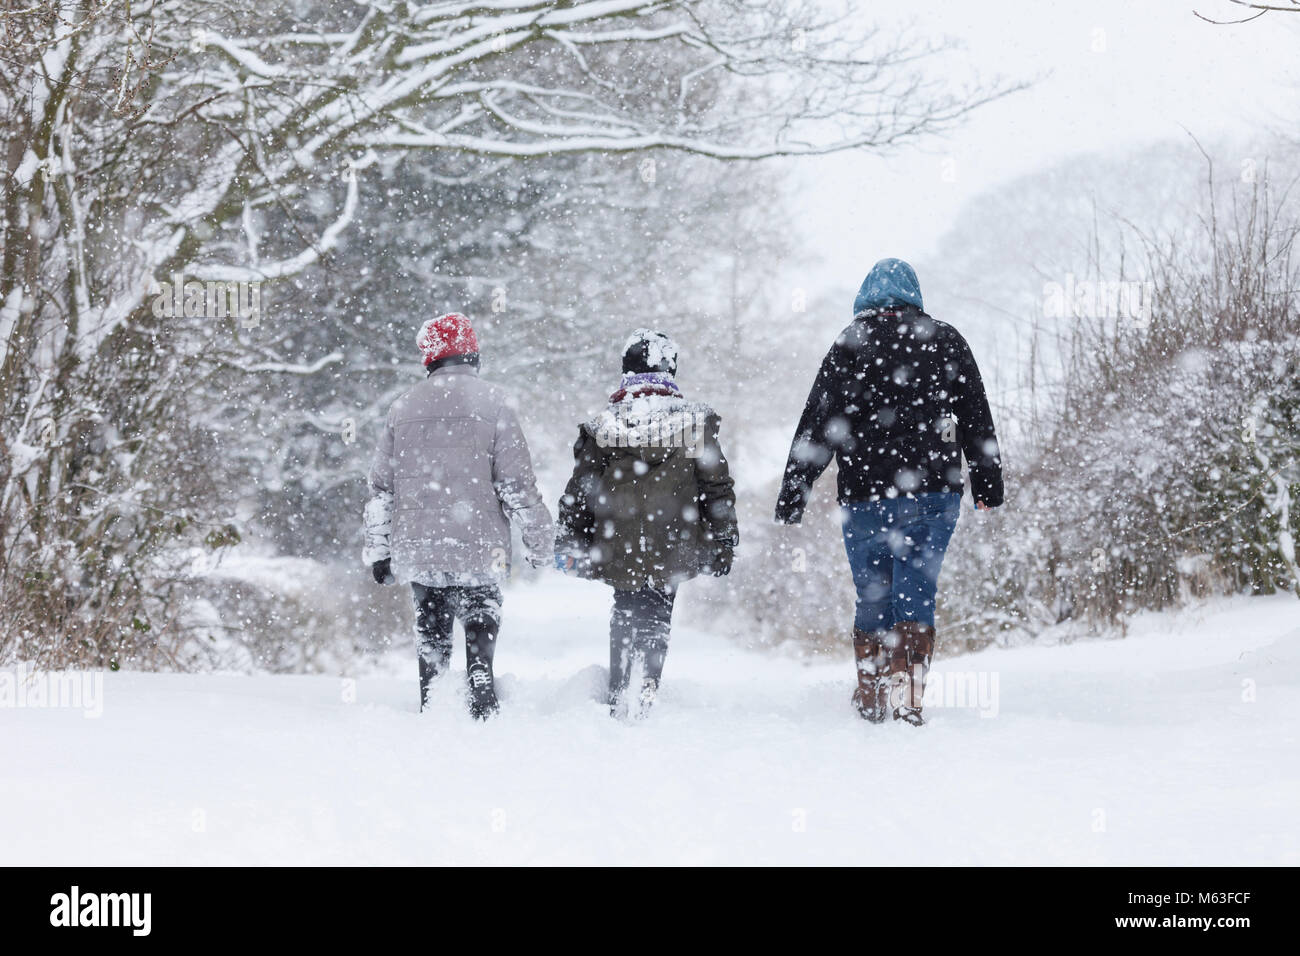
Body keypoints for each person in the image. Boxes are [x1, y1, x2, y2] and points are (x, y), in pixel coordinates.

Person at [774, 259, 1003, 725]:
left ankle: (874, 695)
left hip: (864, 495)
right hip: (933, 492)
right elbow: (976, 416)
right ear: (914, 294)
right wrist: (987, 481)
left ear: (866, 296)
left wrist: (795, 491)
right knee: (917, 592)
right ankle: (907, 699)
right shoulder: (945, 340)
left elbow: (819, 422)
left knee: (873, 594)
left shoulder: (850, 343)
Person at [363, 312, 554, 719]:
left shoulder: (402, 407)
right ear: (472, 355)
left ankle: (433, 700)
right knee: (481, 614)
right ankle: (480, 679)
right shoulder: (496, 403)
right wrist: (540, 542)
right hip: (480, 548)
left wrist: (379, 551)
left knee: (431, 627)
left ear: (429, 358)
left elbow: (382, 490)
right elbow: (516, 485)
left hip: (421, 548)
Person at [556, 330, 738, 718]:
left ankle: (621, 688)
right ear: (670, 370)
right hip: (673, 540)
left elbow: (581, 491)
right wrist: (723, 540)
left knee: (625, 609)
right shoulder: (691, 425)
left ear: (626, 372)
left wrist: (570, 541)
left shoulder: (605, 428)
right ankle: (645, 691)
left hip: (616, 541)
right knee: (656, 613)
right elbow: (715, 488)